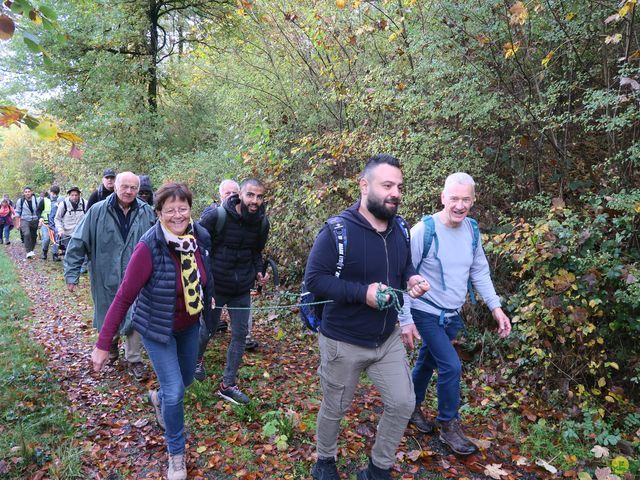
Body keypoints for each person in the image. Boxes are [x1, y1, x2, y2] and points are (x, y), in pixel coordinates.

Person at [304, 154, 430, 480]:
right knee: (335, 407)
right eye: (387, 185)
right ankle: (325, 461)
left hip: (386, 339)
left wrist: (412, 279)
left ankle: (377, 469)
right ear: (364, 186)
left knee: (403, 403)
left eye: (399, 187)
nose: (395, 193)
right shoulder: (337, 231)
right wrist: (363, 293)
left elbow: (403, 268)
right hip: (343, 341)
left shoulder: (400, 227)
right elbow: (315, 280)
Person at [91, 182, 214, 480]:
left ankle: (158, 398)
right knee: (175, 393)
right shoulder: (149, 247)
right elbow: (123, 297)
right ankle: (176, 455)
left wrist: (209, 303)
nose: (177, 215)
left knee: (184, 381)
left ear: (190, 210)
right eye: (170, 209)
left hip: (187, 326)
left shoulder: (198, 237)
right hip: (156, 329)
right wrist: (104, 343)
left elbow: (206, 277)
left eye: (182, 208)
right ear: (158, 212)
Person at [399, 172, 512, 456]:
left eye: (466, 200)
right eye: (454, 199)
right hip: (425, 311)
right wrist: (406, 319)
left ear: (473, 200)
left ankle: (409, 407)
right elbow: (401, 276)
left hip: (451, 314)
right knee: (451, 365)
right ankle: (448, 423)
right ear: (443, 198)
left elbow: (480, 271)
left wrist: (496, 308)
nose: (460, 205)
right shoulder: (423, 231)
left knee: (426, 362)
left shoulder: (472, 230)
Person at [65, 172, 156, 381]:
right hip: (105, 275)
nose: (129, 191)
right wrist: (72, 274)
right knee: (109, 312)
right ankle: (111, 345)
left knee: (137, 314)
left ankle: (134, 359)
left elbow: (158, 242)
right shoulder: (97, 211)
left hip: (137, 277)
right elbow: (79, 242)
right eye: (124, 186)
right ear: (115, 186)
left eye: (133, 188)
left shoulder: (146, 212)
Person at [194, 178, 270, 404]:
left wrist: (258, 272)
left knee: (240, 335)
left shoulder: (262, 223)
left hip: (241, 288)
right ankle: (195, 361)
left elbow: (256, 251)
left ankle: (228, 384)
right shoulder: (216, 216)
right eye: (250, 195)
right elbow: (195, 245)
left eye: (259, 196)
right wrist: (199, 278)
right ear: (240, 195)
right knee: (206, 329)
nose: (254, 201)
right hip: (216, 286)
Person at [54, 187, 86, 256]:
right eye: (72, 195)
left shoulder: (84, 203)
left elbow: (90, 217)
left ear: (79, 195)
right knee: (70, 253)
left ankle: (81, 267)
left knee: (81, 253)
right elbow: (57, 219)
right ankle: (69, 266)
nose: (74, 197)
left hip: (81, 234)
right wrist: (60, 229)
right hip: (67, 234)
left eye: (76, 195)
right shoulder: (63, 204)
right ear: (69, 195)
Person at [14, 186, 40, 259]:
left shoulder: (37, 200)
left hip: (35, 220)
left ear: (32, 192)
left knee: (33, 236)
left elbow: (40, 211)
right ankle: (28, 251)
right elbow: (17, 212)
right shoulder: (20, 201)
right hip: (24, 219)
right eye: (26, 192)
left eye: (29, 191)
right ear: (24, 193)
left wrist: (41, 219)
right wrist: (17, 223)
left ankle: (31, 250)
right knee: (26, 234)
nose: (27, 193)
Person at [38, 185, 61, 260]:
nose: (54, 195)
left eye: (56, 194)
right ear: (50, 192)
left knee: (56, 239)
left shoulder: (60, 201)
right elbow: (38, 211)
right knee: (46, 239)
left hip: (56, 224)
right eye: (53, 193)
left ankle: (55, 255)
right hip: (46, 223)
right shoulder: (44, 200)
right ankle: (44, 252)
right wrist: (40, 218)